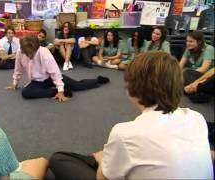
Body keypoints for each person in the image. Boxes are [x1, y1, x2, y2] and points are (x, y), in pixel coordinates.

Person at [49, 52, 213, 179]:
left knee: (59, 159)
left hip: (116, 156)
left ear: (131, 90)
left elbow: (102, 178)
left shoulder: (125, 133)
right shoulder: (196, 117)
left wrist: (103, 159)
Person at [7, 35, 110, 102]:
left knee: (78, 86)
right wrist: (15, 82)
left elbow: (55, 73)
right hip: (37, 82)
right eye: (26, 53)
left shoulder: (44, 52)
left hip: (51, 77)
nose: (28, 56)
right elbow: (18, 68)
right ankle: (53, 91)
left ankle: (98, 80)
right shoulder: (21, 52)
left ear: (36, 49)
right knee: (26, 93)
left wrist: (60, 91)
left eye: (31, 54)